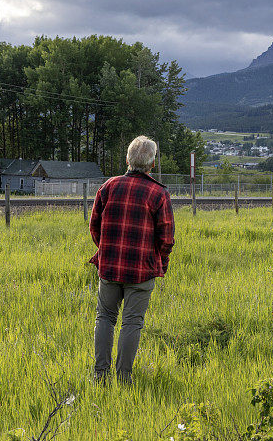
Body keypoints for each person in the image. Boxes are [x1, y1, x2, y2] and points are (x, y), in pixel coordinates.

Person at [89, 135, 175, 384]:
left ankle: (100, 375)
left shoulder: (108, 187)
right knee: (132, 322)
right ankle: (124, 378)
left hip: (110, 267)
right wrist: (161, 263)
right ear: (152, 164)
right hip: (142, 270)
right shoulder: (158, 194)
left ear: (127, 159)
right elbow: (166, 238)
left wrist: (108, 250)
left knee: (104, 317)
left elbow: (95, 227)